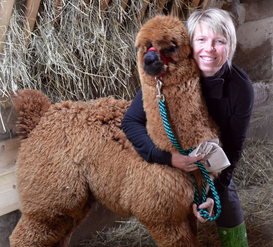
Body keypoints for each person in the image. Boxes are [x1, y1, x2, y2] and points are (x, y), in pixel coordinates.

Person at [121, 8, 254, 247]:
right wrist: (167, 158)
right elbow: (131, 121)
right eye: (201, 40)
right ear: (189, 44)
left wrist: (213, 193)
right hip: (171, 155)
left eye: (219, 41)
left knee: (227, 204)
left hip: (210, 159)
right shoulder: (169, 73)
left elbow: (232, 149)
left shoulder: (240, 88)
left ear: (230, 45)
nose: (209, 49)